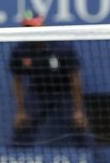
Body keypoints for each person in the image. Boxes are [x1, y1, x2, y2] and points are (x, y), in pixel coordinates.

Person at [9, 13, 91, 148]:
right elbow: (17, 80)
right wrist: (21, 111)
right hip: (38, 92)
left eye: (35, 26)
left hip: (64, 92)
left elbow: (75, 77)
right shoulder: (21, 51)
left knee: (79, 125)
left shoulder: (61, 48)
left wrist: (78, 110)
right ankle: (15, 160)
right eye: (29, 27)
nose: (33, 31)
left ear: (43, 25)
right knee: (23, 125)